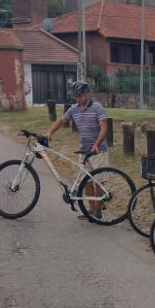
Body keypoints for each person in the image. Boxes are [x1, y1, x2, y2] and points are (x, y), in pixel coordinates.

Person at [41, 80, 110, 218]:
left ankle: (98, 210)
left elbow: (104, 128)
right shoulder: (74, 109)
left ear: (86, 94)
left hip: (98, 151)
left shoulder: (97, 108)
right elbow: (61, 121)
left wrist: (96, 143)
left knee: (98, 182)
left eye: (79, 95)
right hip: (84, 150)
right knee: (86, 182)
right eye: (75, 96)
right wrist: (49, 133)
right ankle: (91, 210)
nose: (77, 98)